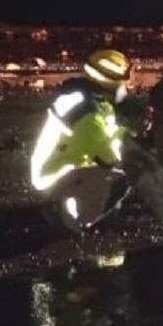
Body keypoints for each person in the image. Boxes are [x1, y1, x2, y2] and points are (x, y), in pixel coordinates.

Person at [29, 50, 138, 231]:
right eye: (125, 80)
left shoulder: (89, 100)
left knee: (115, 172)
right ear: (110, 81)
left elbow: (104, 137)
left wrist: (128, 133)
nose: (129, 85)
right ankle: (74, 221)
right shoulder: (87, 112)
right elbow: (108, 158)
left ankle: (66, 207)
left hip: (60, 168)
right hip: (54, 176)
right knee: (122, 176)